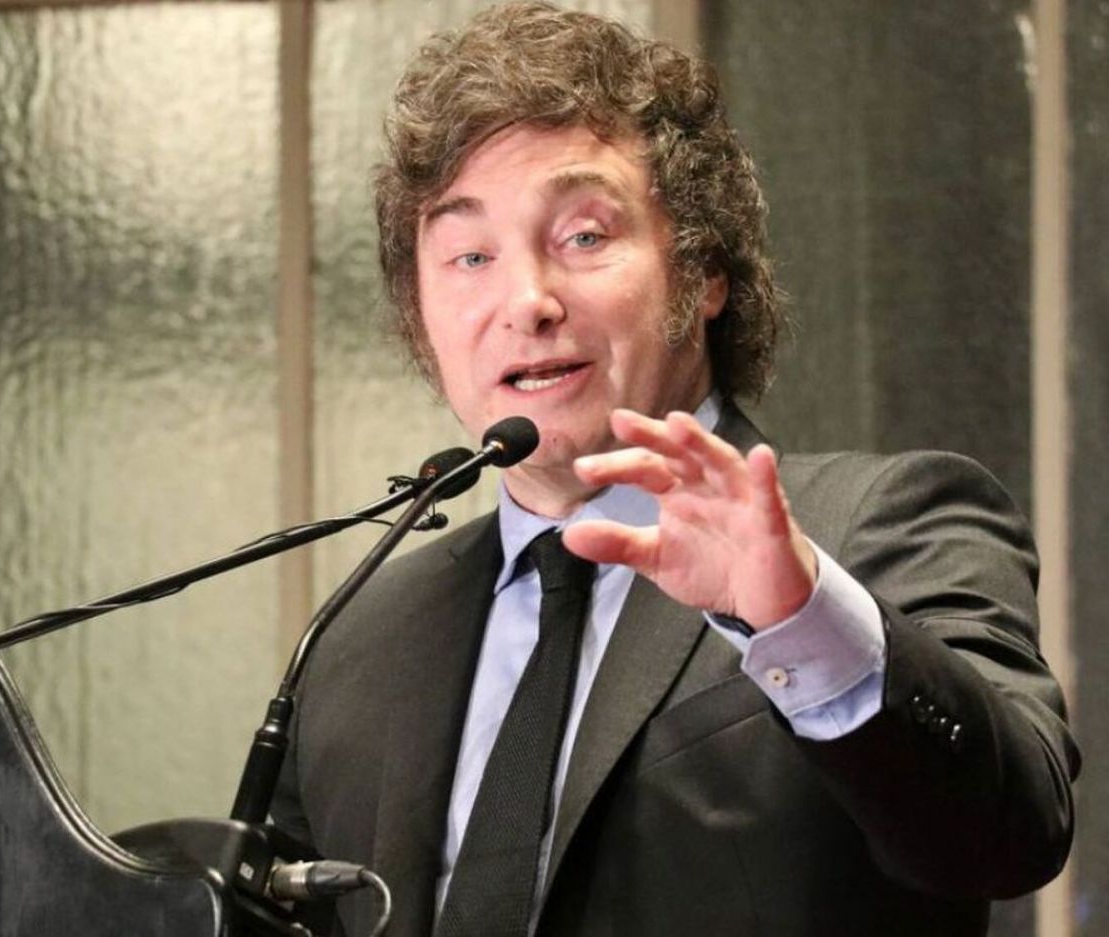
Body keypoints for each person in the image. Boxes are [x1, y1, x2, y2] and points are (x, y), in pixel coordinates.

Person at [271, 4, 1080, 935]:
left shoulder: (883, 523)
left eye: (583, 236)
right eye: (470, 255)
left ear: (704, 274)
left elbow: (1011, 833)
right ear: (420, 317)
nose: (526, 301)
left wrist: (799, 617)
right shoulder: (361, 634)